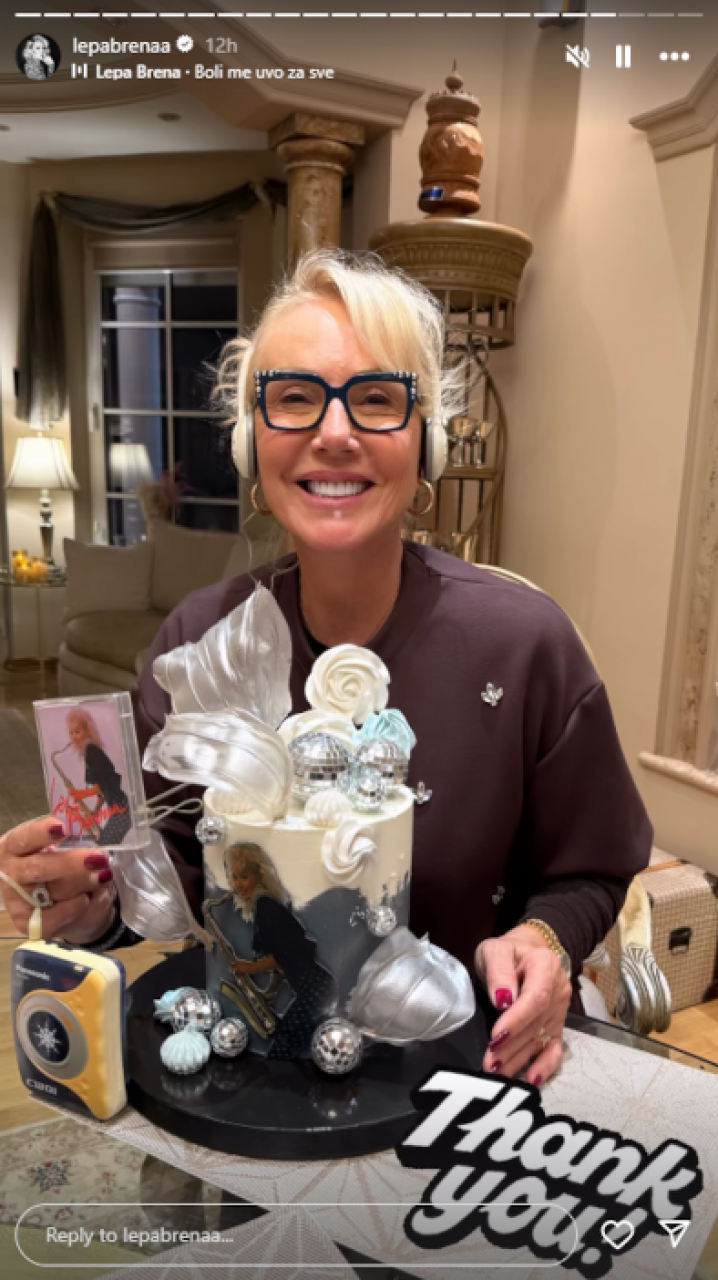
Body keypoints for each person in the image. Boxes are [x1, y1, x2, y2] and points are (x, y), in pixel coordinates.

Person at [0, 248, 652, 1085]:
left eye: (377, 399)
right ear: (251, 442)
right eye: (295, 398)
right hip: (250, 1075)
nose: (335, 433)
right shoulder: (198, 647)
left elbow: (592, 865)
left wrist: (545, 939)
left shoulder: (527, 642)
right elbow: (164, 876)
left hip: (469, 1072)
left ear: (426, 442)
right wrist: (86, 900)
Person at [203, 841, 337, 1059]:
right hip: (316, 988)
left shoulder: (266, 906)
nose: (238, 884)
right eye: (234, 877)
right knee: (286, 1043)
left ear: (259, 875)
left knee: (282, 1050)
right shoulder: (263, 906)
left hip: (316, 989)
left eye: (244, 876)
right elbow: (284, 961)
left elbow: (285, 954)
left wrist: (248, 968)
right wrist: (268, 994)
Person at [61, 708, 133, 848]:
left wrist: (80, 793)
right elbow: (102, 791)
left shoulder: (92, 751)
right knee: (105, 845)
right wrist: (95, 811)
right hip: (119, 808)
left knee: (105, 846)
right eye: (71, 733)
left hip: (122, 809)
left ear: (87, 731)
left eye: (77, 731)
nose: (73, 737)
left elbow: (100, 787)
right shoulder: (90, 751)